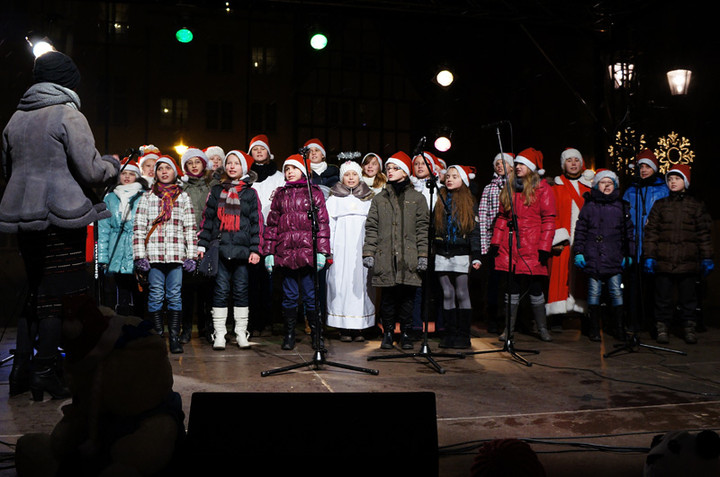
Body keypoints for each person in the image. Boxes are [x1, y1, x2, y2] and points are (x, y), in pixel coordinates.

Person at [0, 50, 119, 399]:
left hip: (23, 218)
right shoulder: (68, 114)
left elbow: (7, 173)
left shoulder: (15, 119)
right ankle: (46, 372)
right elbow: (92, 171)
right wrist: (111, 164)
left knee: (34, 291)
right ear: (68, 81)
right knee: (58, 296)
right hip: (61, 216)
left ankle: (21, 370)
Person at [263, 154, 331, 350]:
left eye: (294, 168)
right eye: (287, 169)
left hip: (308, 252)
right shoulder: (280, 194)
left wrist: (322, 251)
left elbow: (323, 224)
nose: (289, 172)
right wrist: (269, 253)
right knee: (290, 295)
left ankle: (317, 335)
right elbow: (272, 225)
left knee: (311, 295)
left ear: (303, 170)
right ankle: (289, 333)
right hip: (286, 253)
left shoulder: (314, 193)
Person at [363, 151, 429, 350]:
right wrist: (369, 252)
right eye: (389, 168)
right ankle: (388, 332)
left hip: (408, 256)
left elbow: (422, 228)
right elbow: (372, 226)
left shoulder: (417, 198)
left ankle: (406, 333)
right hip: (386, 255)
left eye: (395, 168)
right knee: (389, 298)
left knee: (408, 298)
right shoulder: (379, 198)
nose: (390, 171)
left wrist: (423, 255)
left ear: (406, 172)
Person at [198, 150, 263, 350]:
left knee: (241, 291)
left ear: (244, 167)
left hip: (242, 252)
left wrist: (256, 250)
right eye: (229, 163)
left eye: (236, 163)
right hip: (220, 248)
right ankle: (219, 334)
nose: (232, 166)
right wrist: (202, 243)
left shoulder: (250, 193)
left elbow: (256, 223)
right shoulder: (217, 190)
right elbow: (208, 219)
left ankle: (241, 333)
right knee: (220, 291)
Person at [490, 147, 556, 342]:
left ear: (531, 168)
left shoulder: (543, 189)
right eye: (516, 164)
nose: (517, 167)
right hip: (511, 244)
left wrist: (544, 247)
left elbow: (549, 219)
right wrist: (496, 241)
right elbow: (503, 217)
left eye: (521, 164)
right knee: (512, 288)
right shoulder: (509, 187)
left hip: (533, 245)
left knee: (535, 288)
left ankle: (542, 328)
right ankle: (508, 330)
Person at [133, 156, 197, 354]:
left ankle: (175, 338)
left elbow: (190, 228)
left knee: (175, 296)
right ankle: (158, 336)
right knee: (155, 295)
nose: (163, 172)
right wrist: (139, 256)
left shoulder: (183, 197)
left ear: (175, 172)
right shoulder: (147, 197)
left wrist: (191, 256)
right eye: (160, 168)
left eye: (168, 168)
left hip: (176, 255)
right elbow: (139, 228)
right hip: (154, 255)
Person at [643, 164, 713, 344]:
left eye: (677, 179)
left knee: (688, 298)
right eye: (670, 179)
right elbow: (651, 233)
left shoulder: (696, 206)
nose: (673, 182)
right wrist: (650, 256)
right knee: (663, 298)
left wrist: (706, 257)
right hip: (664, 259)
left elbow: (703, 234)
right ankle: (662, 328)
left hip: (687, 260)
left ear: (685, 181)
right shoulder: (660, 205)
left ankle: (689, 328)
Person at [572, 169, 634, 341]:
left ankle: (619, 328)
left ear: (615, 186)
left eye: (610, 183)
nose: (606, 186)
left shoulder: (621, 206)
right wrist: (579, 252)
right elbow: (581, 231)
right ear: (596, 185)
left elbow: (628, 233)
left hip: (614, 256)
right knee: (594, 292)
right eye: (603, 182)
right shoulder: (590, 206)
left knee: (616, 291)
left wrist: (629, 254)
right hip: (594, 256)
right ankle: (593, 329)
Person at [325, 160, 375, 342]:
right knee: (340, 283)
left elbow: (373, 224)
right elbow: (329, 225)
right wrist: (328, 249)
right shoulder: (334, 199)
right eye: (347, 174)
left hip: (361, 247)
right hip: (341, 248)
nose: (351, 178)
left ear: (359, 177)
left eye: (354, 174)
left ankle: (360, 327)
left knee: (361, 284)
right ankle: (343, 327)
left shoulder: (369, 198)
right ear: (342, 178)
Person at [434, 165, 482, 349]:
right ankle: (449, 333)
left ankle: (464, 335)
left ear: (463, 180)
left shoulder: (469, 201)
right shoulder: (440, 199)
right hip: (442, 251)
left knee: (462, 292)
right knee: (447, 292)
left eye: (455, 176)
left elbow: (475, 231)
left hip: (461, 252)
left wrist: (476, 255)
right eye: (448, 176)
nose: (450, 179)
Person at [546, 148, 594, 330]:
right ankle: (557, 316)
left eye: (576, 160)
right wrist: (557, 235)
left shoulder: (589, 187)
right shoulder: (555, 187)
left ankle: (583, 314)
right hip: (563, 238)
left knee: (582, 276)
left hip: (583, 238)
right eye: (569, 160)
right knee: (559, 275)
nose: (573, 163)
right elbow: (550, 213)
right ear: (563, 164)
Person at [622, 148, 669, 334]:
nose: (643, 170)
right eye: (641, 166)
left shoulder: (663, 189)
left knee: (656, 287)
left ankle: (655, 323)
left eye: (647, 166)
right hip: (635, 245)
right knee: (634, 286)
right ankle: (634, 322)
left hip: (655, 246)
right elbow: (624, 216)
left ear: (654, 168)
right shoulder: (631, 191)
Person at [97, 158, 149, 318]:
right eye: (124, 173)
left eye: (131, 174)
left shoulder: (145, 196)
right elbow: (104, 229)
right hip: (116, 249)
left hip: (137, 249)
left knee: (140, 291)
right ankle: (122, 325)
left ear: (137, 176)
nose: (127, 177)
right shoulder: (110, 198)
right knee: (121, 292)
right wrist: (103, 257)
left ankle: (140, 326)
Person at [248, 135, 286, 336]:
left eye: (262, 148)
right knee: (252, 281)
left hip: (274, 236)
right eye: (255, 149)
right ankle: (254, 323)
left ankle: (270, 321)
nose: (259, 152)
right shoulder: (247, 176)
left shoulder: (279, 177)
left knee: (272, 283)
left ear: (269, 152)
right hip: (252, 236)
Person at [179, 147, 215, 343]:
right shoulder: (181, 188)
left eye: (197, 162)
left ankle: (206, 327)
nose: (194, 166)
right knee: (187, 289)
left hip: (207, 242)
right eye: (190, 163)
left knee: (207, 289)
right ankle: (186, 329)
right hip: (186, 243)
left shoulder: (211, 186)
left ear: (203, 164)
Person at [478, 152, 514, 333]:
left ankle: (511, 319)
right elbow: (483, 216)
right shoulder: (489, 188)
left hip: (512, 240)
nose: (500, 166)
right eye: (497, 163)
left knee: (511, 281)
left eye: (504, 163)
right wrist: (485, 244)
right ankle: (493, 318)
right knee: (493, 281)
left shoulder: (515, 186)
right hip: (495, 241)